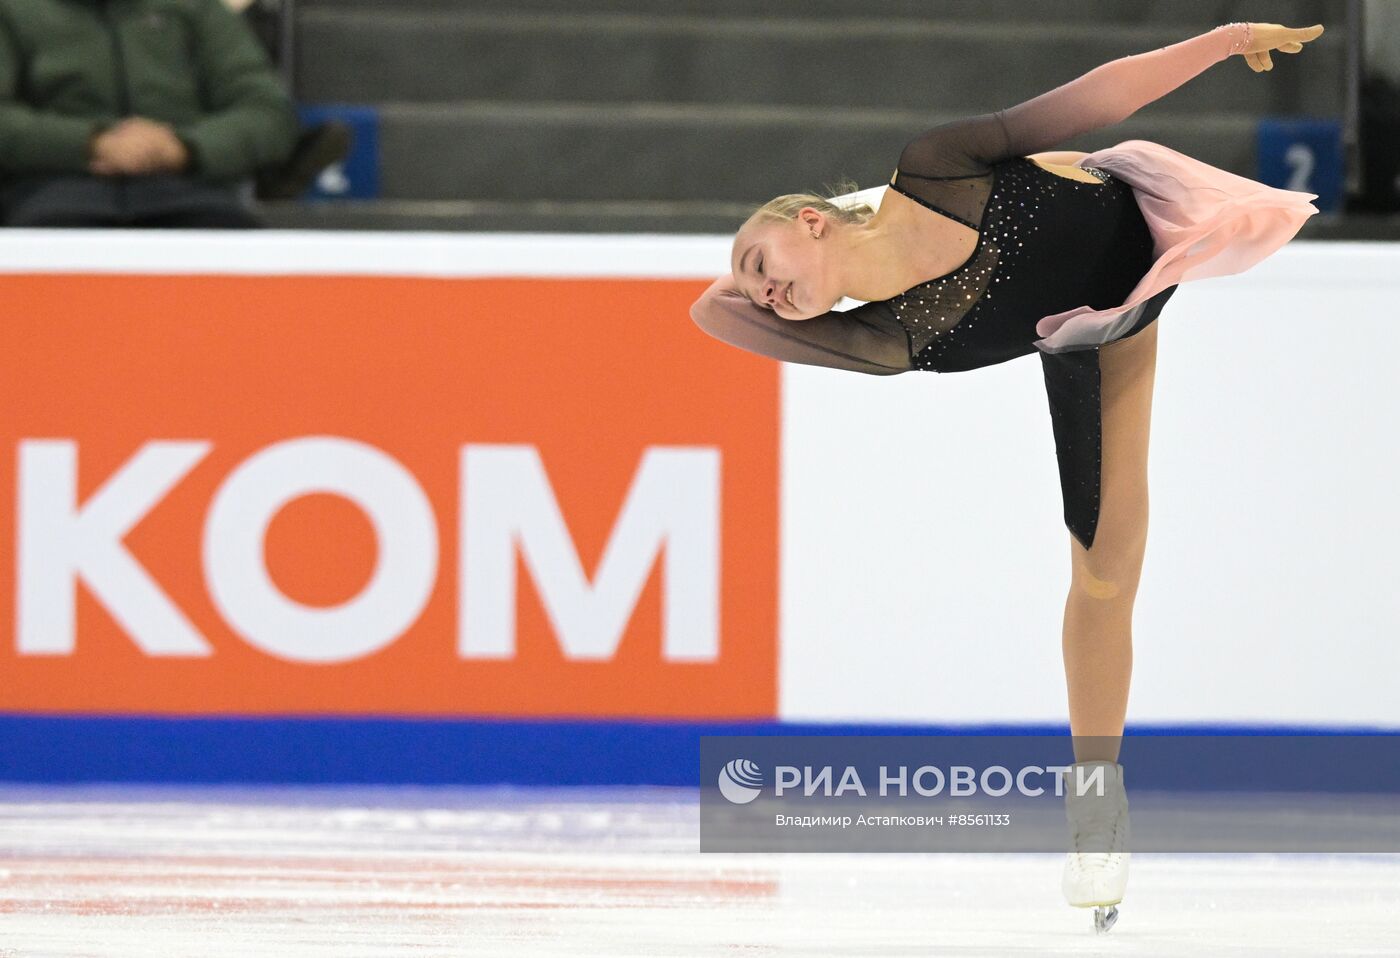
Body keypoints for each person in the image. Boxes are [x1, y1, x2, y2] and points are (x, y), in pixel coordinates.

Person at [689, 21, 1324, 933]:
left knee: (1112, 572)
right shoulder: (888, 338)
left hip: (1133, 208)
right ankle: (1096, 802)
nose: (760, 290)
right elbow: (710, 314)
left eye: (761, 261)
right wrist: (777, 276)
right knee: (1104, 575)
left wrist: (1219, 44)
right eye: (761, 290)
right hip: (1102, 330)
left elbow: (1092, 99)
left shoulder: (938, 168)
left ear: (813, 219)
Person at [0, 0, 299, 227]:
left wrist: (184, 148)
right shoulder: (14, 11)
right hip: (46, 198)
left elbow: (268, 112)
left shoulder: (198, 10)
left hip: (195, 196)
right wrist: (92, 142)